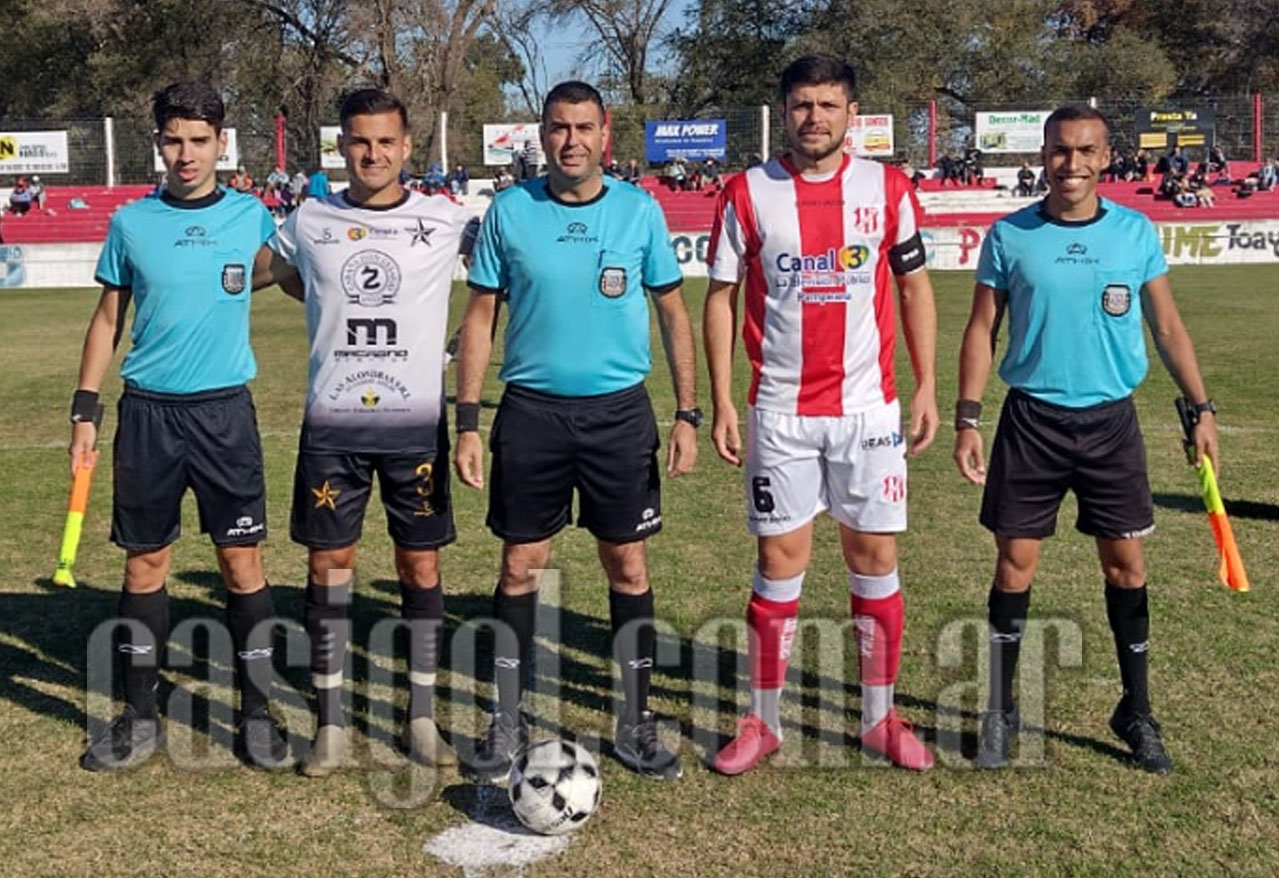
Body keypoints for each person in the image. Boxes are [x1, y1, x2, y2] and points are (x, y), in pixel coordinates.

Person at [953, 104, 1219, 775]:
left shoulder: (1133, 232)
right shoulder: (1009, 235)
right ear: (1042, 156)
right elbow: (981, 330)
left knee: (1126, 567)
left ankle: (1136, 711)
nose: (1070, 163)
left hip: (1110, 424)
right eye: (1058, 151)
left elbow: (1167, 328)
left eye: (1084, 151)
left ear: (1105, 158)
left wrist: (1202, 408)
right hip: (1031, 422)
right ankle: (1000, 708)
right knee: (1014, 565)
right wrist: (966, 417)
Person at [454, 80, 699, 784]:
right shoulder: (509, 211)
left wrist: (687, 413)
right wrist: (467, 422)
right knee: (519, 565)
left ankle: (635, 721)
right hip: (531, 413)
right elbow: (480, 318)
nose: (571, 141)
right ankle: (506, 717)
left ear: (604, 133)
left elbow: (673, 314)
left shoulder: (638, 210)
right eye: (559, 128)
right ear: (543, 135)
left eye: (584, 127)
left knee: (628, 565)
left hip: (618, 416)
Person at [704, 54, 939, 775]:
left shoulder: (887, 188)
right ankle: (763, 721)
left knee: (875, 560)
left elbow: (914, 289)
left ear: (851, 113)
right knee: (778, 563)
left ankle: (878, 718)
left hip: (867, 411)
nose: (815, 118)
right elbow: (720, 298)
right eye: (803, 105)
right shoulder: (747, 192)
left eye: (828, 105)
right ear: (784, 111)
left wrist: (926, 385)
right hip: (779, 412)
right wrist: (722, 399)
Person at [254, 88, 478, 777]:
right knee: (329, 568)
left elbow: (501, 279)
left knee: (421, 568)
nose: (373, 153)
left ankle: (420, 718)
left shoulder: (445, 218)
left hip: (416, 430)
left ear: (407, 147)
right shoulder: (310, 219)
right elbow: (263, 273)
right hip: (333, 428)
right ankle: (329, 724)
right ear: (341, 147)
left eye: (385, 141)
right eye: (359, 141)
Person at [70, 80, 286, 772]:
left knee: (241, 561)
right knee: (145, 563)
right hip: (148, 415)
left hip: (225, 414)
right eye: (173, 140)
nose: (186, 153)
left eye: (199, 140)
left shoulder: (252, 216)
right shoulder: (131, 224)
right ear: (158, 143)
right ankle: (139, 716)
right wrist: (84, 408)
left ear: (221, 143)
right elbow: (108, 319)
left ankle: (257, 714)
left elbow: (288, 276)